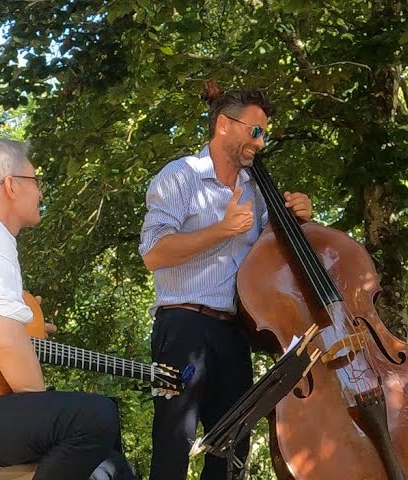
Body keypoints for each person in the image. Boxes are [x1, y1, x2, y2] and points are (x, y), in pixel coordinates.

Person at [0, 136, 136, 480]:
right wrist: (38, 402)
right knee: (95, 417)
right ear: (11, 186)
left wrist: (25, 329)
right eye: (36, 181)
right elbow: (2, 333)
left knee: (109, 466)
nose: (41, 193)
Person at [138, 82, 312, 480]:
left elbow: (274, 258)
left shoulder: (257, 191)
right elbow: (154, 253)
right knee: (173, 440)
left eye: (265, 133)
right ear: (223, 126)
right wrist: (222, 230)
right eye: (255, 131)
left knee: (233, 446)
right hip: (183, 324)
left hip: (236, 332)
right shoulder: (179, 176)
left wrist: (299, 219)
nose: (261, 142)